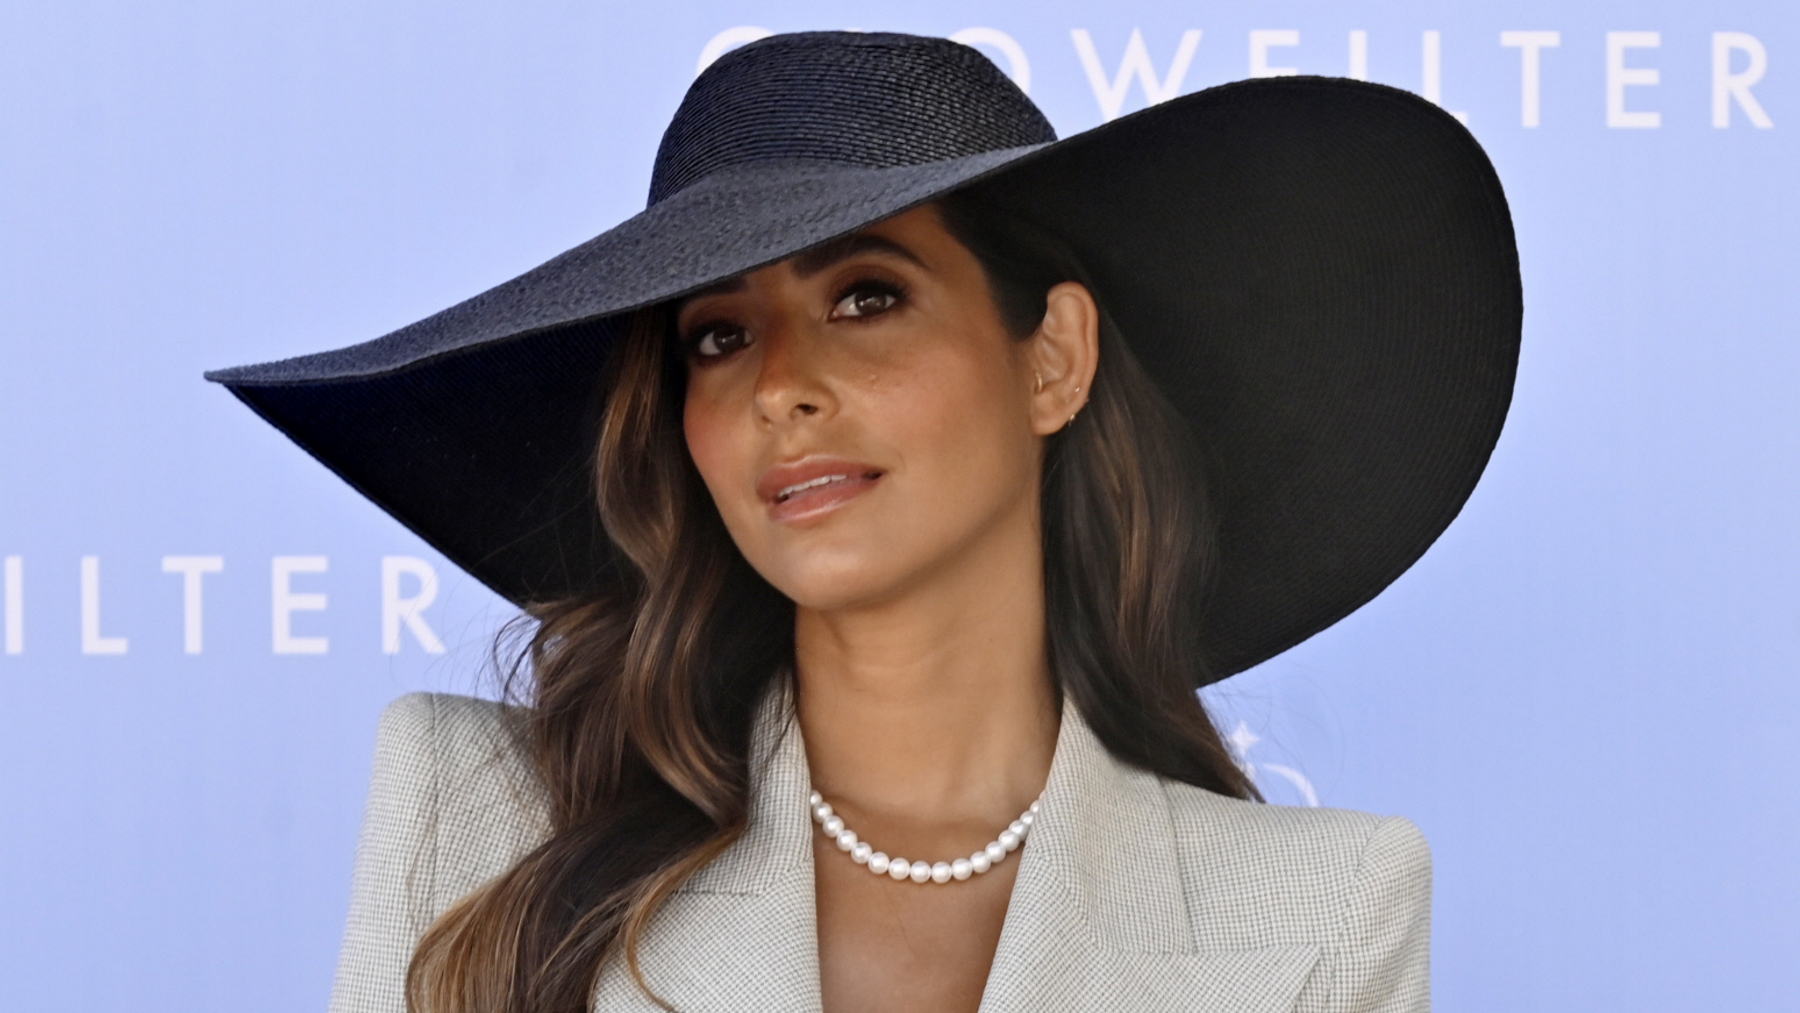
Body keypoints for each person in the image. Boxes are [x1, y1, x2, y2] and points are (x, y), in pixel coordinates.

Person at [204, 29, 1521, 1013]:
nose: (778, 383)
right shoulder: (481, 820)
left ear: (1053, 357)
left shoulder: (1324, 912)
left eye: (868, 295)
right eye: (717, 334)